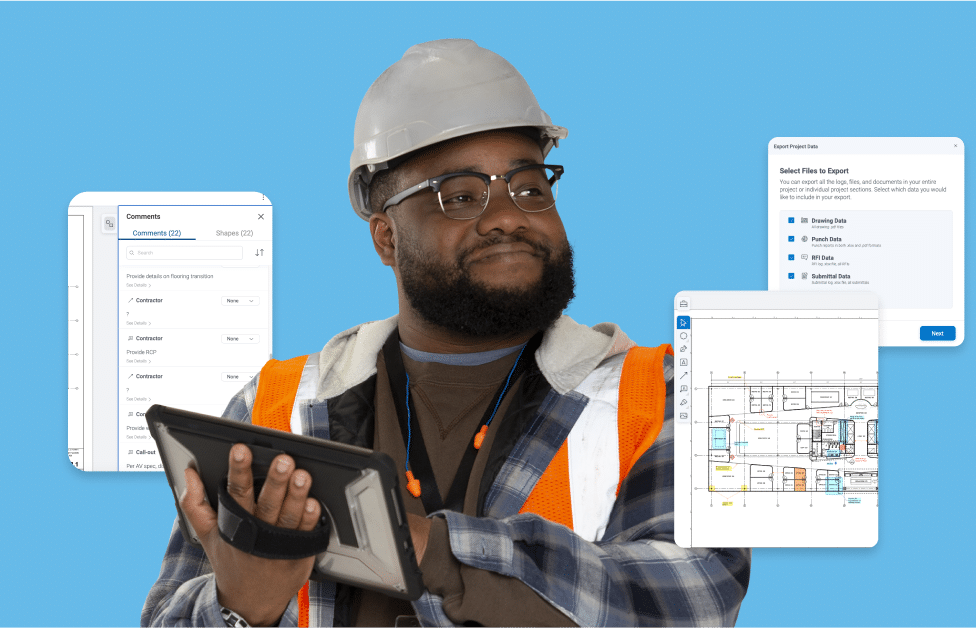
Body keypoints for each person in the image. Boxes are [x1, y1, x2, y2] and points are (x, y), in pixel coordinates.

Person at [142, 39, 750, 628]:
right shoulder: (273, 412)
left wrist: (428, 545)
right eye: (458, 196)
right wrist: (242, 607)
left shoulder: (659, 396)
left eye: (530, 186)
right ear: (386, 237)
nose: (509, 215)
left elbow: (693, 599)